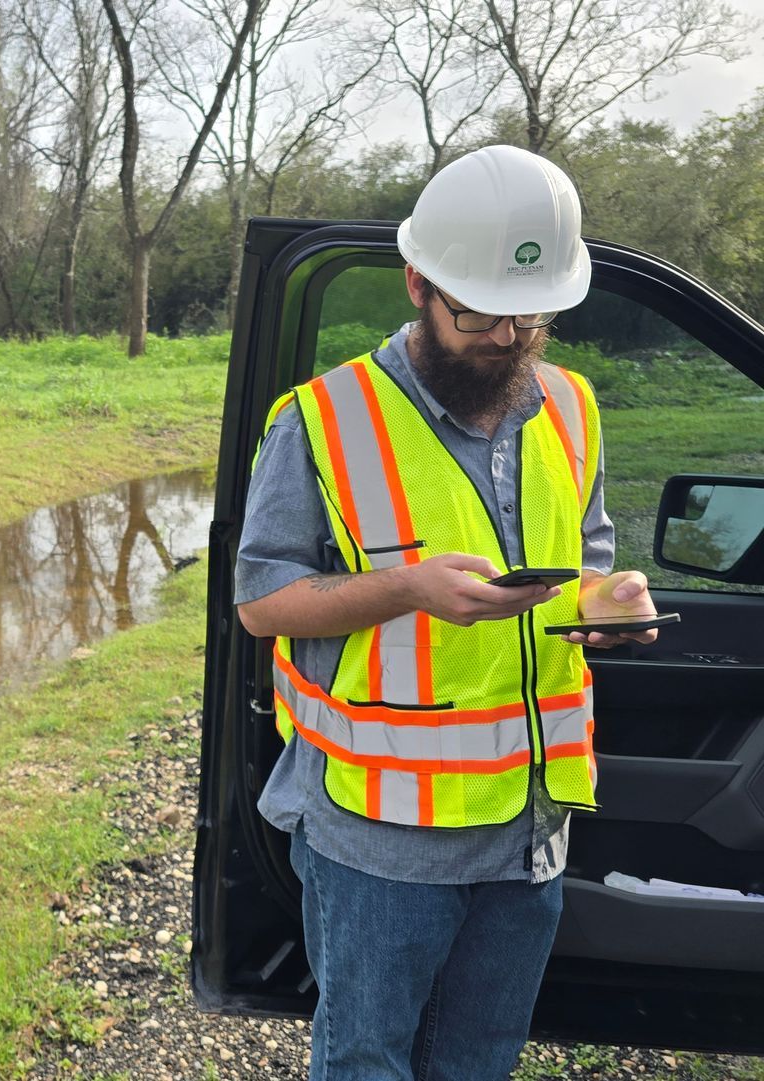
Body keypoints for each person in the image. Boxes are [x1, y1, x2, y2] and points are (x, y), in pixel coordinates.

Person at [234, 144, 662, 1081]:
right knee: (367, 1060)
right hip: (379, 839)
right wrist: (408, 588)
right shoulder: (323, 418)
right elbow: (262, 604)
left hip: (530, 826)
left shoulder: (573, 407)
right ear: (417, 283)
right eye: (478, 314)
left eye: (530, 313)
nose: (507, 338)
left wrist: (610, 603)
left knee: (479, 1058)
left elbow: (581, 567)